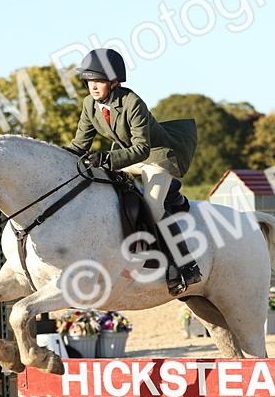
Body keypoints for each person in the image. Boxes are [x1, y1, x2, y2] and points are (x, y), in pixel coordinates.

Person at [67, 48, 201, 296]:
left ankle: (186, 264)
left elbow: (142, 148)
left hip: (157, 156)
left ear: (114, 82)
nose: (93, 87)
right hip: (127, 157)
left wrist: (107, 158)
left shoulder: (132, 102)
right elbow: (79, 145)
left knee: (153, 206)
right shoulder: (89, 104)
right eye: (89, 81)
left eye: (99, 81)